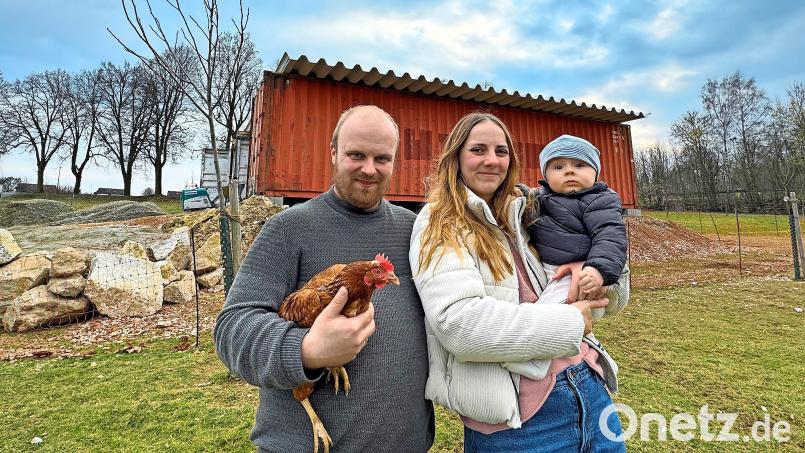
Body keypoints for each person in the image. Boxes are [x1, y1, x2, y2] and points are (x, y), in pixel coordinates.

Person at [214, 105, 434, 452]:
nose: (369, 169)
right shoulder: (288, 228)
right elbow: (232, 329)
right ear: (333, 154)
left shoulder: (413, 230)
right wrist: (305, 350)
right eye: (356, 155)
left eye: (382, 158)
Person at [409, 112, 629, 452]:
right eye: (478, 149)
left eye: (501, 151)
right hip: (520, 423)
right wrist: (571, 322)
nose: (491, 160)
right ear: (456, 157)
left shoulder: (527, 211)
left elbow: (612, 295)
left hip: (589, 388)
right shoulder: (440, 224)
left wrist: (595, 275)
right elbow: (459, 325)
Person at [520, 134, 627, 308]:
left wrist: (597, 270)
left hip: (577, 275)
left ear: (595, 172)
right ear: (545, 176)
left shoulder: (600, 201)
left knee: (547, 312)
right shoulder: (539, 197)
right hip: (544, 270)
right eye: (558, 166)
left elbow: (610, 237)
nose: (569, 171)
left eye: (579, 165)